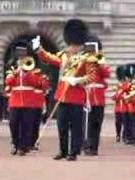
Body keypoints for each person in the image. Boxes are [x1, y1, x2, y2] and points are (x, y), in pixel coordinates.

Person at [33, 19, 96, 161]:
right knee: (61, 125)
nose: (72, 47)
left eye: (75, 44)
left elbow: (92, 77)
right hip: (62, 94)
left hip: (76, 95)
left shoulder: (86, 58)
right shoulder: (63, 55)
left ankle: (73, 152)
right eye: (71, 44)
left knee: (75, 126)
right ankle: (63, 150)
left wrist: (78, 80)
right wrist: (39, 49)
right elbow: (50, 59)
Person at [5, 43, 48, 156]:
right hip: (15, 101)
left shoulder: (32, 71)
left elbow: (36, 83)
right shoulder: (12, 70)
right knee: (13, 123)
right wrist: (15, 73)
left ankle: (23, 147)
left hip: (29, 102)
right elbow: (8, 83)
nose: (22, 59)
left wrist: (27, 73)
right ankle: (15, 143)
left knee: (26, 125)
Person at [82, 35, 110, 156]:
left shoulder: (101, 61)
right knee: (86, 123)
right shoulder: (82, 61)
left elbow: (106, 74)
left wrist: (100, 64)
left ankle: (94, 147)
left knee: (96, 123)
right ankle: (86, 145)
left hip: (98, 99)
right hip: (86, 96)